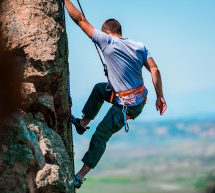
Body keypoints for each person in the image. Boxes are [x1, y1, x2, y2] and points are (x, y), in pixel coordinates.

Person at [64, 0, 167, 189]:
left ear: (107, 33)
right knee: (98, 89)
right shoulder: (139, 46)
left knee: (100, 136)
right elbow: (155, 69)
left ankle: (79, 176)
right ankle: (81, 124)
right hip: (137, 98)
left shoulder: (107, 40)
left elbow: (80, 20)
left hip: (127, 106)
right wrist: (160, 95)